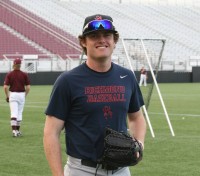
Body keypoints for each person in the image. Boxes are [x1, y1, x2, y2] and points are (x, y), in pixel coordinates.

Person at [43, 14, 146, 176]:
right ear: (83, 42)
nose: (101, 40)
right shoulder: (68, 81)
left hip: (121, 170)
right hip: (82, 169)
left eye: (107, 35)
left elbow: (137, 118)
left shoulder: (127, 77)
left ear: (115, 40)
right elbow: (51, 133)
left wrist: (139, 144)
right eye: (94, 36)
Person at [3, 58, 30, 137]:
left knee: (14, 113)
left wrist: (7, 96)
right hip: (21, 94)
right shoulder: (24, 74)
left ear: (14, 64)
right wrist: (25, 95)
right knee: (19, 113)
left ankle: (14, 131)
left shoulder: (9, 74)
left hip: (13, 94)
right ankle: (17, 131)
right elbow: (28, 88)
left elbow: (5, 87)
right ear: (20, 65)